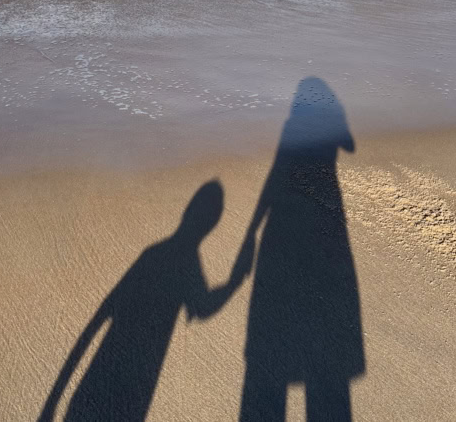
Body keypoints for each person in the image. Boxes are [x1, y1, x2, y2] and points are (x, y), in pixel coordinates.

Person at [39, 180, 253, 422]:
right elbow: (202, 308)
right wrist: (235, 282)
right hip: (140, 376)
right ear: (212, 223)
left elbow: (100, 317)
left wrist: (53, 399)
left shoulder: (153, 254)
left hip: (104, 368)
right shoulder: (186, 263)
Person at [240, 77, 365, 421]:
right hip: (325, 211)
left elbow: (275, 173)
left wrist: (253, 228)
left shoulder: (291, 127)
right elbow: (351, 146)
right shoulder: (324, 125)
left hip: (282, 224)